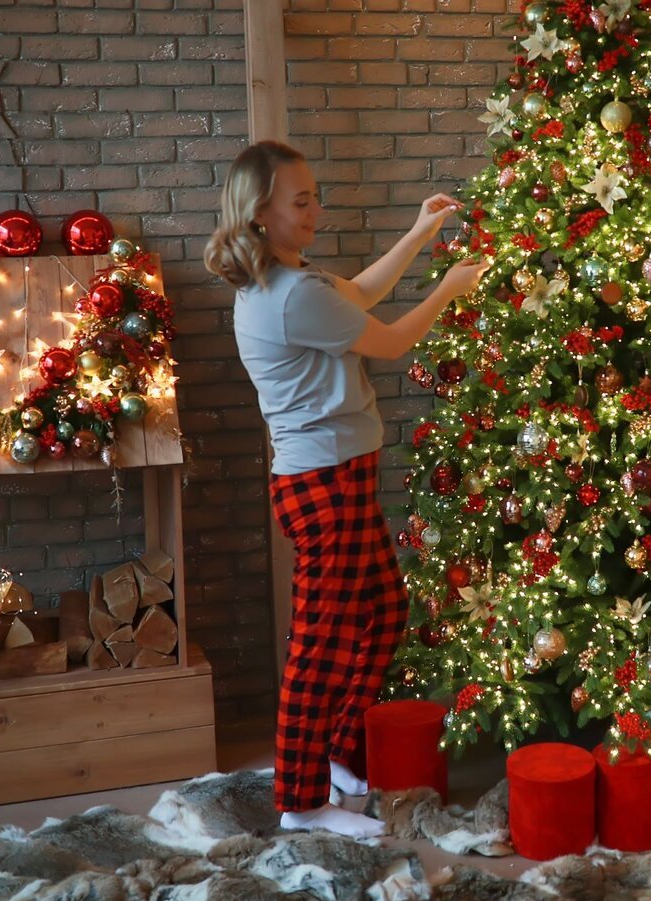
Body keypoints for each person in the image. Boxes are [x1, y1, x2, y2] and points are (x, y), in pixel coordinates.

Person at [203, 141, 487, 839]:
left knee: (385, 610)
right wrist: (449, 289)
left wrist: (421, 233)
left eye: (313, 196)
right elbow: (387, 342)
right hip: (323, 486)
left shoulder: (296, 281)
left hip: (343, 479)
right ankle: (302, 801)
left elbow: (361, 295)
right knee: (319, 645)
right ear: (261, 213)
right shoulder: (290, 296)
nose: (314, 210)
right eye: (301, 202)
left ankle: (334, 755)